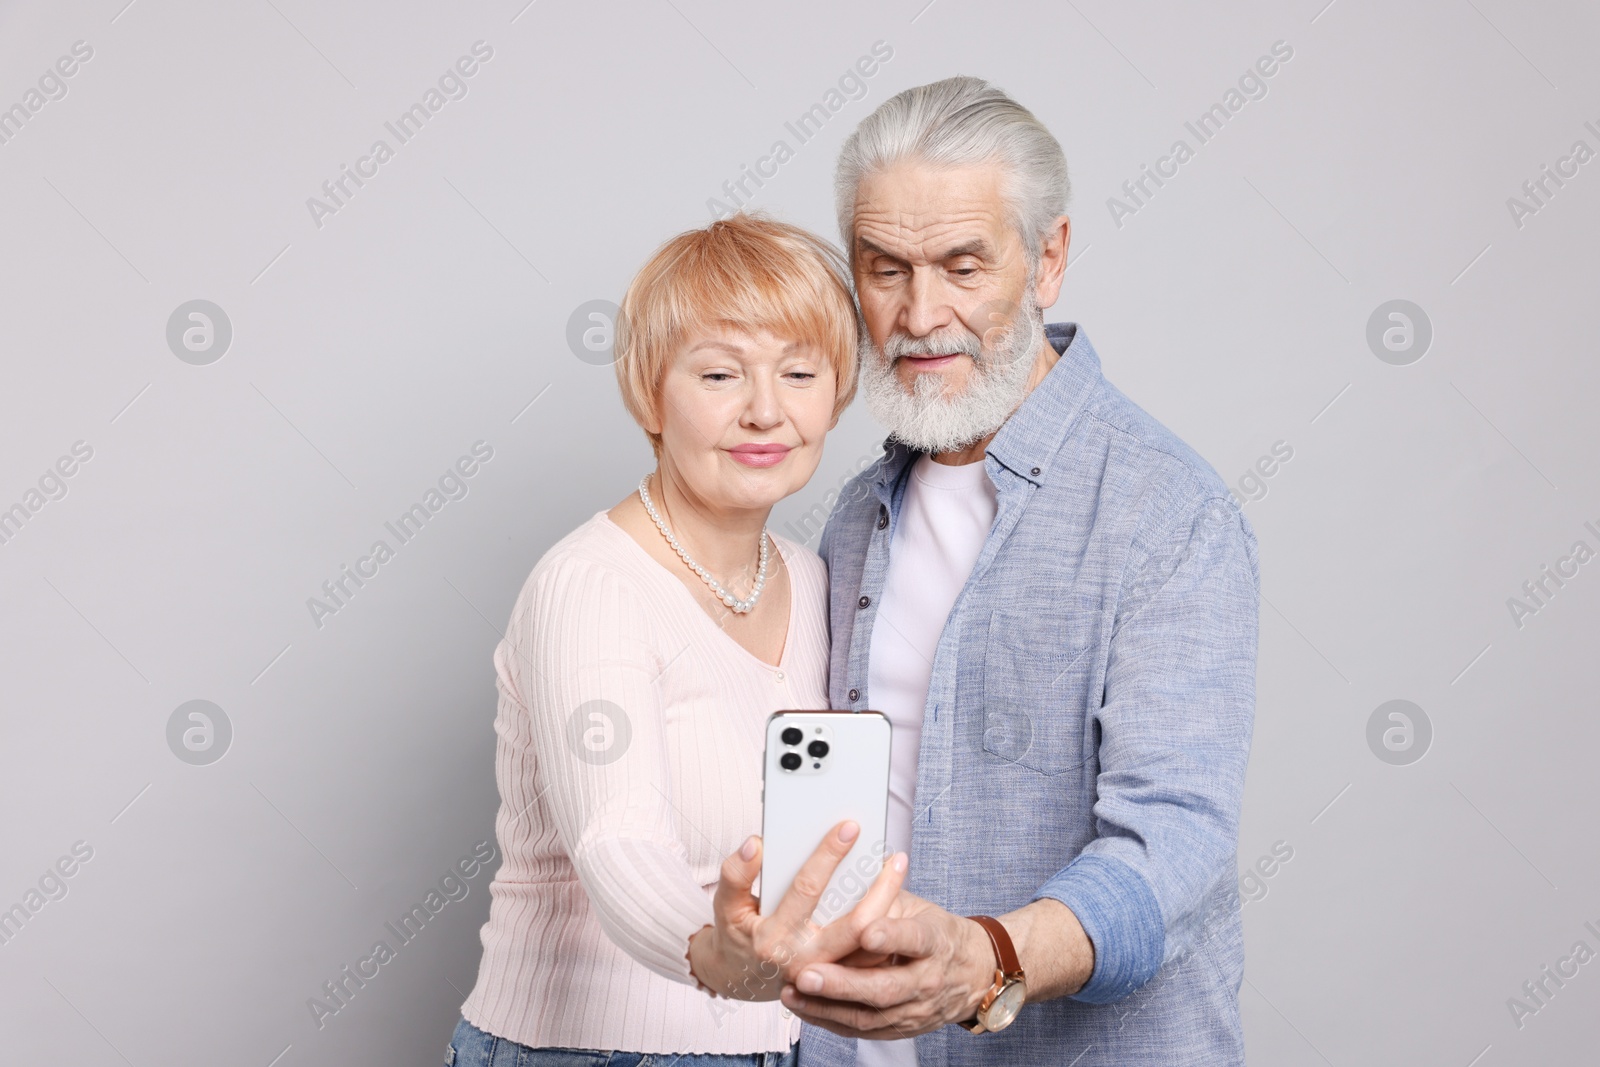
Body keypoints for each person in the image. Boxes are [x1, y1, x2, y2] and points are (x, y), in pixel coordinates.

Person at [780, 77, 1262, 1066]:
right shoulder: (856, 515)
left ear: (1048, 256)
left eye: (962, 264)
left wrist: (986, 956)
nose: (921, 314)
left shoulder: (1168, 511)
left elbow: (1175, 840)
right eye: (884, 268)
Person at [446, 214, 905, 1067]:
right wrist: (713, 950)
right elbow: (617, 838)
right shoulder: (592, 585)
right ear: (649, 393)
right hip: (589, 1051)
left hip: (783, 1046)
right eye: (721, 372)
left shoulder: (814, 579)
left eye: (800, 372)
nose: (766, 409)